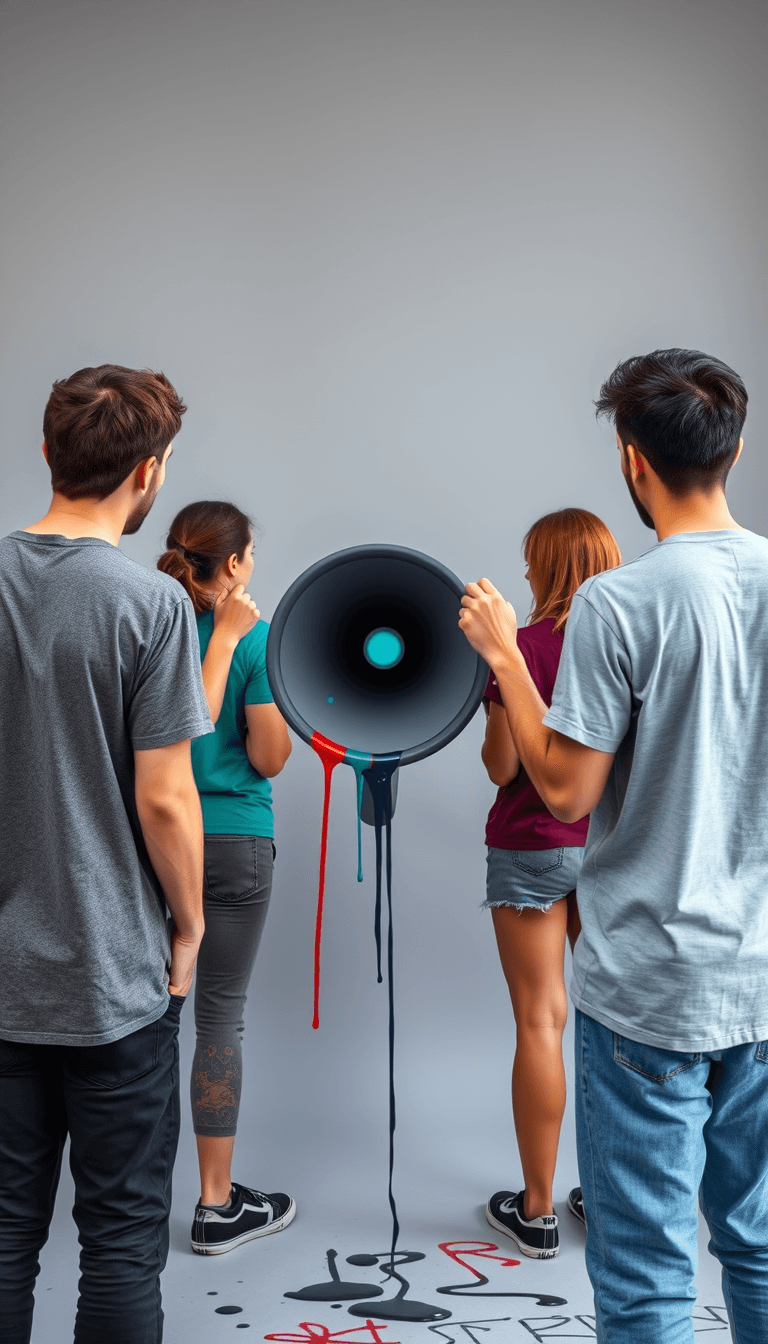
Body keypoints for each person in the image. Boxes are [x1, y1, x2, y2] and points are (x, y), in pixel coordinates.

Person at [459, 348, 768, 1343]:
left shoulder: (620, 604)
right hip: (761, 975)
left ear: (633, 462)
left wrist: (506, 653)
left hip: (649, 988)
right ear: (737, 445)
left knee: (645, 1278)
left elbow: (563, 788)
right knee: (759, 1244)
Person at [0, 365, 213, 1344]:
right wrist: (191, 926)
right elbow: (166, 798)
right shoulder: (151, 606)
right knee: (122, 1236)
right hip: (113, 973)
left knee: (3, 1235)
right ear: (151, 474)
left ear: (47, 453)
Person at [481, 509, 620, 1260]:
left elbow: (503, 767)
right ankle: (608, 1201)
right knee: (609, 1025)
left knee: (541, 1022)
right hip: (610, 849)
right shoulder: (627, 639)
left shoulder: (520, 648)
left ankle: (535, 1211)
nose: (527, 573)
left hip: (530, 847)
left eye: (533, 562)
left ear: (547, 566)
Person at [158, 502, 294, 1255]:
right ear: (236, 564)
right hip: (237, 839)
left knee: (147, 1018)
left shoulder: (146, 618)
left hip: (152, 843)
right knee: (219, 1019)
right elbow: (270, 757)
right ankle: (216, 1205)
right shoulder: (254, 639)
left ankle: (132, 1197)